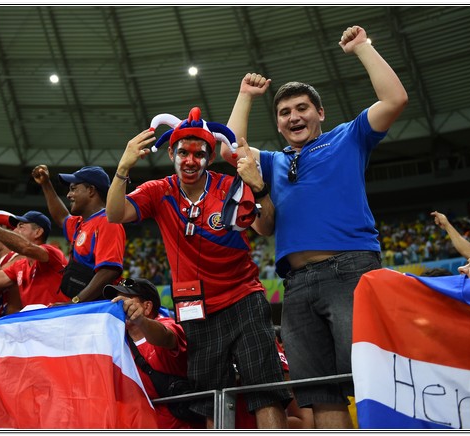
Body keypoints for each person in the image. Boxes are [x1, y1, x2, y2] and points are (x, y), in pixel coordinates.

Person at [221, 25, 408, 428]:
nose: (294, 116)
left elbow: (394, 99)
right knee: (319, 392)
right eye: (285, 112)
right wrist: (245, 96)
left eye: (302, 108)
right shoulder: (272, 161)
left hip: (351, 272)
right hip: (296, 285)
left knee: (374, 379)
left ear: (320, 113)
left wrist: (363, 47)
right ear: (279, 124)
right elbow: (229, 148)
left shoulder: (348, 137)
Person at [106, 107, 291, 429]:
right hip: (196, 308)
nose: (190, 161)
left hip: (243, 297)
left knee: (266, 390)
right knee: (211, 398)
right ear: (171, 153)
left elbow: (266, 228)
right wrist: (123, 167)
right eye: (183, 153)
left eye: (199, 154)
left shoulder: (230, 187)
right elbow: (114, 214)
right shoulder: (159, 191)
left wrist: (259, 187)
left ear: (210, 156)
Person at [102, 278, 200, 429]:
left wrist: (140, 320)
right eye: (116, 300)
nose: (118, 305)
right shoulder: (115, 341)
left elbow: (166, 337)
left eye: (125, 300)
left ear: (147, 307)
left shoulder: (168, 325)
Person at [32, 165, 125, 302]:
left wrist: (75, 302)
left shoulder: (107, 222)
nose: (68, 195)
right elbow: (61, 217)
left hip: (99, 307)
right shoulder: (81, 223)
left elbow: (109, 271)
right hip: (86, 304)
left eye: (73, 189)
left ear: (91, 190)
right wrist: (46, 184)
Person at [0, 209, 70, 308]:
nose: (15, 231)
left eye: (21, 226)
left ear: (38, 232)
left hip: (58, 319)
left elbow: (25, 247)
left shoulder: (52, 252)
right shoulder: (19, 266)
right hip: (34, 321)